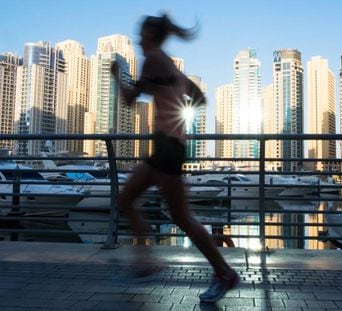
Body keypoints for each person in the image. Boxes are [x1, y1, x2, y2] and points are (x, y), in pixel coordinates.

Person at [111, 14, 240, 303]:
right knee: (127, 201)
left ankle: (224, 273)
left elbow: (130, 99)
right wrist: (172, 98)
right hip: (166, 146)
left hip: (168, 147)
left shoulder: (154, 58)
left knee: (181, 218)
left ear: (151, 37)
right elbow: (199, 98)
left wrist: (115, 75)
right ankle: (146, 262)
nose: (138, 41)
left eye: (141, 36)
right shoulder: (170, 66)